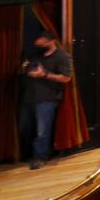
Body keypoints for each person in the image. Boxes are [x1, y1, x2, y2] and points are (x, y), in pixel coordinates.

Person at [20, 29, 72, 169]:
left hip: (47, 98)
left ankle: (40, 157)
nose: (39, 43)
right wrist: (25, 69)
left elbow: (66, 78)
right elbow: (28, 70)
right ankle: (27, 154)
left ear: (51, 40)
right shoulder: (36, 55)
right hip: (29, 96)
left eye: (42, 41)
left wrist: (45, 75)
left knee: (42, 130)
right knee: (24, 127)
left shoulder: (62, 57)